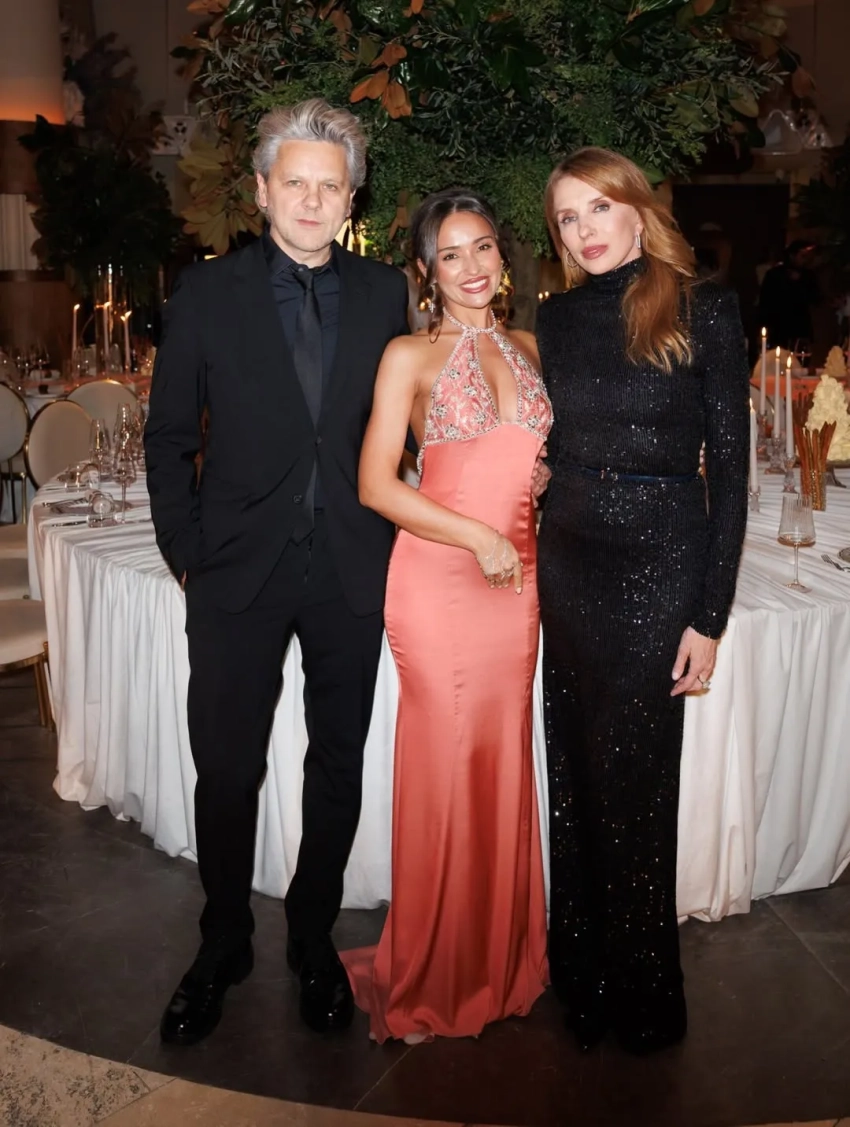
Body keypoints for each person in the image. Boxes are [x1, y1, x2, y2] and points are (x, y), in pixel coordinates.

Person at [144, 99, 410, 1045]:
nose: (310, 200)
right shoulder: (206, 293)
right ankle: (223, 939)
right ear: (261, 191)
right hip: (234, 573)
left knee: (337, 762)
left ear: (351, 198)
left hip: (348, 568)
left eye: (328, 185)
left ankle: (310, 934)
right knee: (227, 768)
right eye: (293, 181)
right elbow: (169, 438)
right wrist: (189, 556)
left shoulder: (384, 294)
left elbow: (406, 430)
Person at [536, 148, 749, 1054]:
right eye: (568, 217)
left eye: (599, 208)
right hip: (569, 556)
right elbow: (552, 438)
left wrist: (710, 614)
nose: (585, 230)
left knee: (634, 780)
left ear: (636, 209)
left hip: (661, 557)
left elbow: (731, 475)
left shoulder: (704, 308)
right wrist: (533, 471)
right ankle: (581, 975)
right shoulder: (554, 318)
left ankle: (645, 993)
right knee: (576, 772)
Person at [343, 188, 552, 1042]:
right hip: (438, 579)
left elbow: (519, 458)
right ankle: (432, 971)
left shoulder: (530, 346)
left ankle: (499, 960)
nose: (471, 267)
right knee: (445, 767)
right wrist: (477, 535)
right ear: (426, 270)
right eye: (451, 253)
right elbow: (375, 484)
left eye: (484, 247)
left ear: (504, 257)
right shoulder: (407, 355)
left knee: (501, 762)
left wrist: (534, 480)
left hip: (517, 584)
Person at [758, 239, 819, 350]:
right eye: (802, 256)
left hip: (800, 331)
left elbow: (815, 299)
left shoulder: (809, 276)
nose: (806, 260)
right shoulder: (774, 275)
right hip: (777, 330)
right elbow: (765, 303)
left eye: (807, 257)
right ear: (792, 256)